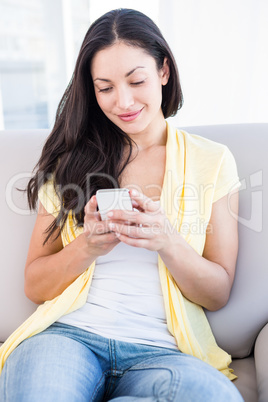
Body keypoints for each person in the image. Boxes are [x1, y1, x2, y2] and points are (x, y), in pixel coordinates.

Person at [0, 8, 243, 402]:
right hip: (67, 340)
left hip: (163, 353)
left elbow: (217, 293)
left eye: (136, 80)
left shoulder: (211, 161)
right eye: (105, 87)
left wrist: (167, 240)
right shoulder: (70, 162)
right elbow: (35, 285)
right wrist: (87, 246)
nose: (123, 101)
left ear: (164, 71)